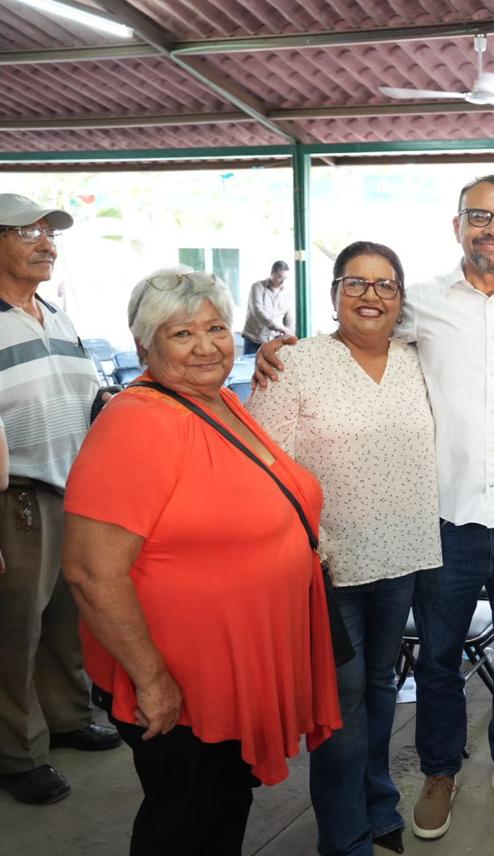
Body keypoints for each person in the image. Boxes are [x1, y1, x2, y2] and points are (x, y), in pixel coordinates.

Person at [255, 175, 494, 840]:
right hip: (443, 523)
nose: (493, 229)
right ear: (457, 224)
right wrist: (279, 349)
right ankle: (439, 770)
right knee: (438, 660)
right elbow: (360, 332)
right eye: (480, 216)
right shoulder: (422, 304)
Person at [61, 268, 342, 854]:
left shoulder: (220, 402)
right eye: (181, 333)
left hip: (232, 669)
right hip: (181, 680)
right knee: (184, 820)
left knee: (222, 806)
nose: (206, 346)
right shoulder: (137, 421)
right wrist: (152, 680)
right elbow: (91, 571)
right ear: (144, 345)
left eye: (215, 328)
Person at [248, 241, 442, 856]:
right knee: (340, 699)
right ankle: (345, 834)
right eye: (355, 283)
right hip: (327, 564)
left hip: (403, 554)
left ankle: (378, 801)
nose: (370, 295)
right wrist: (301, 546)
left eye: (386, 285)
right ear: (333, 294)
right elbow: (262, 466)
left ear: (401, 299)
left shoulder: (419, 361)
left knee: (380, 686)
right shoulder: (295, 363)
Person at [0, 193, 121, 807]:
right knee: (13, 633)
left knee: (64, 621)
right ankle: (17, 753)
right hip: (14, 499)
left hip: (71, 492)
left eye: (51, 234)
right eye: (29, 232)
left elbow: (88, 398)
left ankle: (69, 718)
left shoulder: (56, 316)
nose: (47, 244)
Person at [242, 260, 293, 355]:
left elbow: (288, 317)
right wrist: (278, 327)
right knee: (250, 363)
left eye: (285, 278)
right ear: (272, 274)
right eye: (280, 278)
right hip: (254, 339)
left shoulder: (286, 294)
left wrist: (289, 333)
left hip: (274, 341)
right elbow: (257, 311)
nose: (282, 281)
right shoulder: (257, 287)